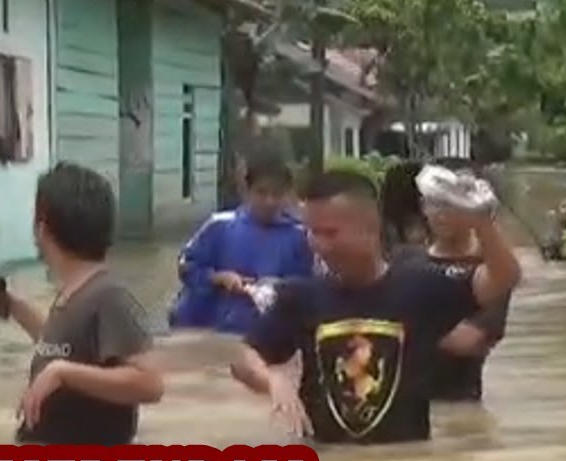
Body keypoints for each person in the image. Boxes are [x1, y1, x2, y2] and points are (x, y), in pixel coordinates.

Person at [228, 169, 522, 444]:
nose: (319, 245)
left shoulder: (420, 286)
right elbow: (243, 358)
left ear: (371, 228)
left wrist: (482, 221)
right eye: (312, 232)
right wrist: (273, 379)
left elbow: (503, 278)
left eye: (331, 233)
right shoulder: (301, 296)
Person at [0, 162, 164, 445]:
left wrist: (64, 374)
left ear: (42, 228)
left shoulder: (109, 297)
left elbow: (150, 384)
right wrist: (12, 306)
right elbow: (61, 346)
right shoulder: (76, 294)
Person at [394, 186, 514, 402]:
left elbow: (467, 341)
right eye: (434, 203)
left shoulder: (492, 272)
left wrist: (399, 324)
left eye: (450, 204)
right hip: (404, 401)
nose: (441, 213)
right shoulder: (404, 260)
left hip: (458, 400)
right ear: (423, 207)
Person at [168, 161, 314, 336]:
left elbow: (308, 286)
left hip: (266, 334)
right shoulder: (220, 226)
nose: (269, 201)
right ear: (247, 192)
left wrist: (278, 286)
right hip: (207, 327)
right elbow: (187, 266)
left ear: (288, 196)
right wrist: (218, 277)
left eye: (277, 194)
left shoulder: (300, 237)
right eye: (261, 192)